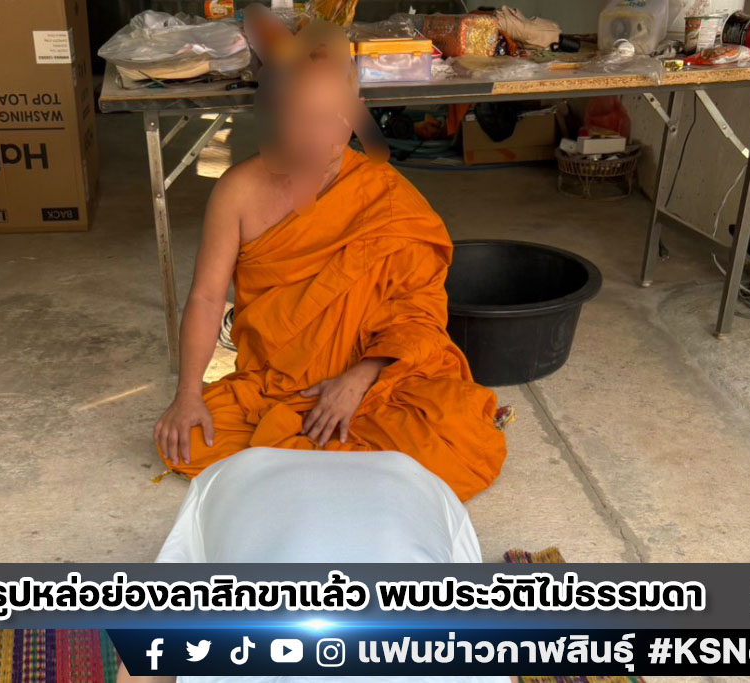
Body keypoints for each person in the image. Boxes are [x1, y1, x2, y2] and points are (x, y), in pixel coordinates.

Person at [151, 17, 506, 503]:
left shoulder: (388, 200)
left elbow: (417, 314)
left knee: (458, 436)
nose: (317, 138)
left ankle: (304, 466)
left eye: (332, 119)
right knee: (187, 439)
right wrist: (187, 395)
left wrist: (357, 380)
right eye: (301, 119)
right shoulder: (238, 192)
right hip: (276, 383)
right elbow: (207, 297)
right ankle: (346, 471)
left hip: (373, 380)